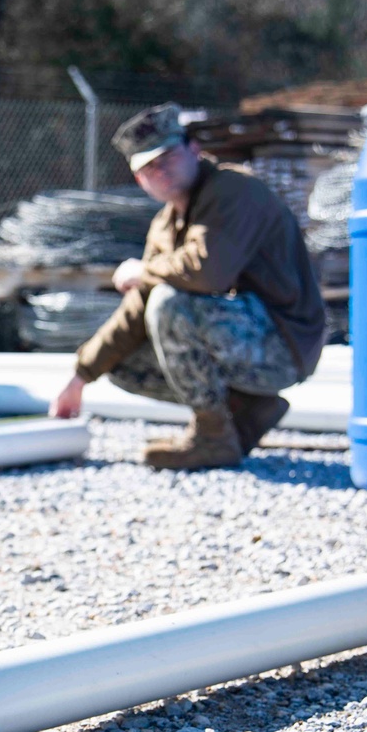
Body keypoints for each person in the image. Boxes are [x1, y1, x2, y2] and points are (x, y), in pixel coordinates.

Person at [53, 103, 326, 469]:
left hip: (283, 345)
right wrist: (80, 376)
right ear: (139, 180)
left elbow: (207, 271)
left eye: (168, 155)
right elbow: (137, 309)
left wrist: (145, 269)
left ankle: (212, 437)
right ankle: (247, 411)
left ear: (194, 150)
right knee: (120, 363)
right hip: (242, 342)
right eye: (148, 166)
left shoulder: (234, 190)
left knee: (170, 304)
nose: (160, 170)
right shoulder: (165, 224)